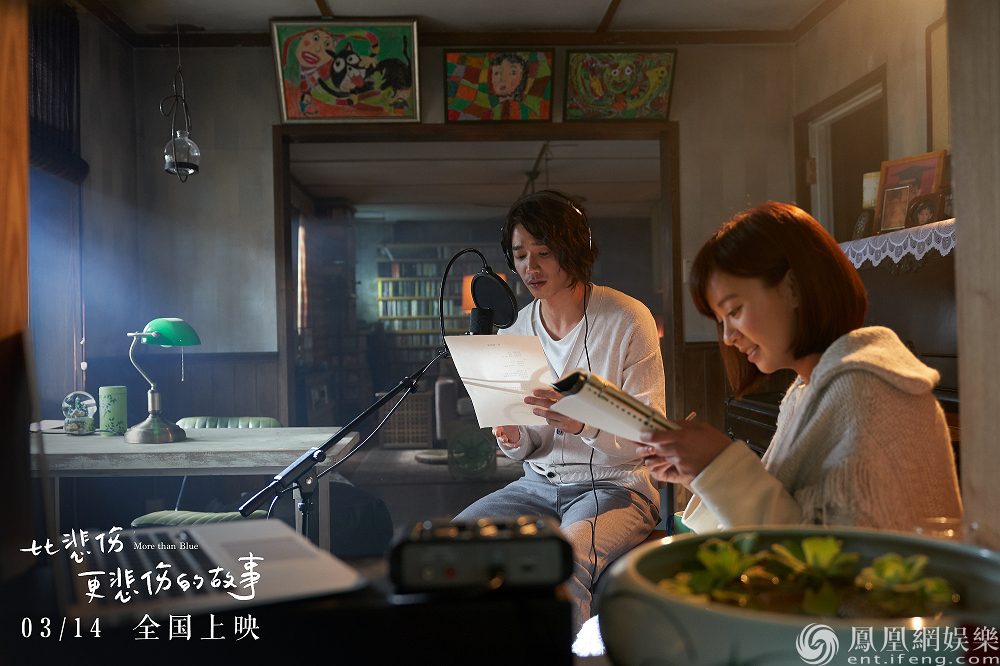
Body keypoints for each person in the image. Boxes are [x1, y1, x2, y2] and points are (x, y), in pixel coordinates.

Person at [636, 202, 961, 533]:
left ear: (793, 287)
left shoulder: (867, 395)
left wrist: (719, 466)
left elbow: (833, 554)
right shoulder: (806, 389)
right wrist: (700, 474)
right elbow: (787, 516)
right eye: (720, 321)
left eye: (733, 311)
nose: (728, 337)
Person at [454, 190, 665, 632]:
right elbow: (528, 443)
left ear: (575, 249)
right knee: (452, 545)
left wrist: (584, 423)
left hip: (616, 486)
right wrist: (513, 436)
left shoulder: (629, 319)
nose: (530, 267)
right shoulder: (516, 329)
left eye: (544, 252)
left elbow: (649, 438)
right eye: (520, 255)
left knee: (559, 565)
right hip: (537, 486)